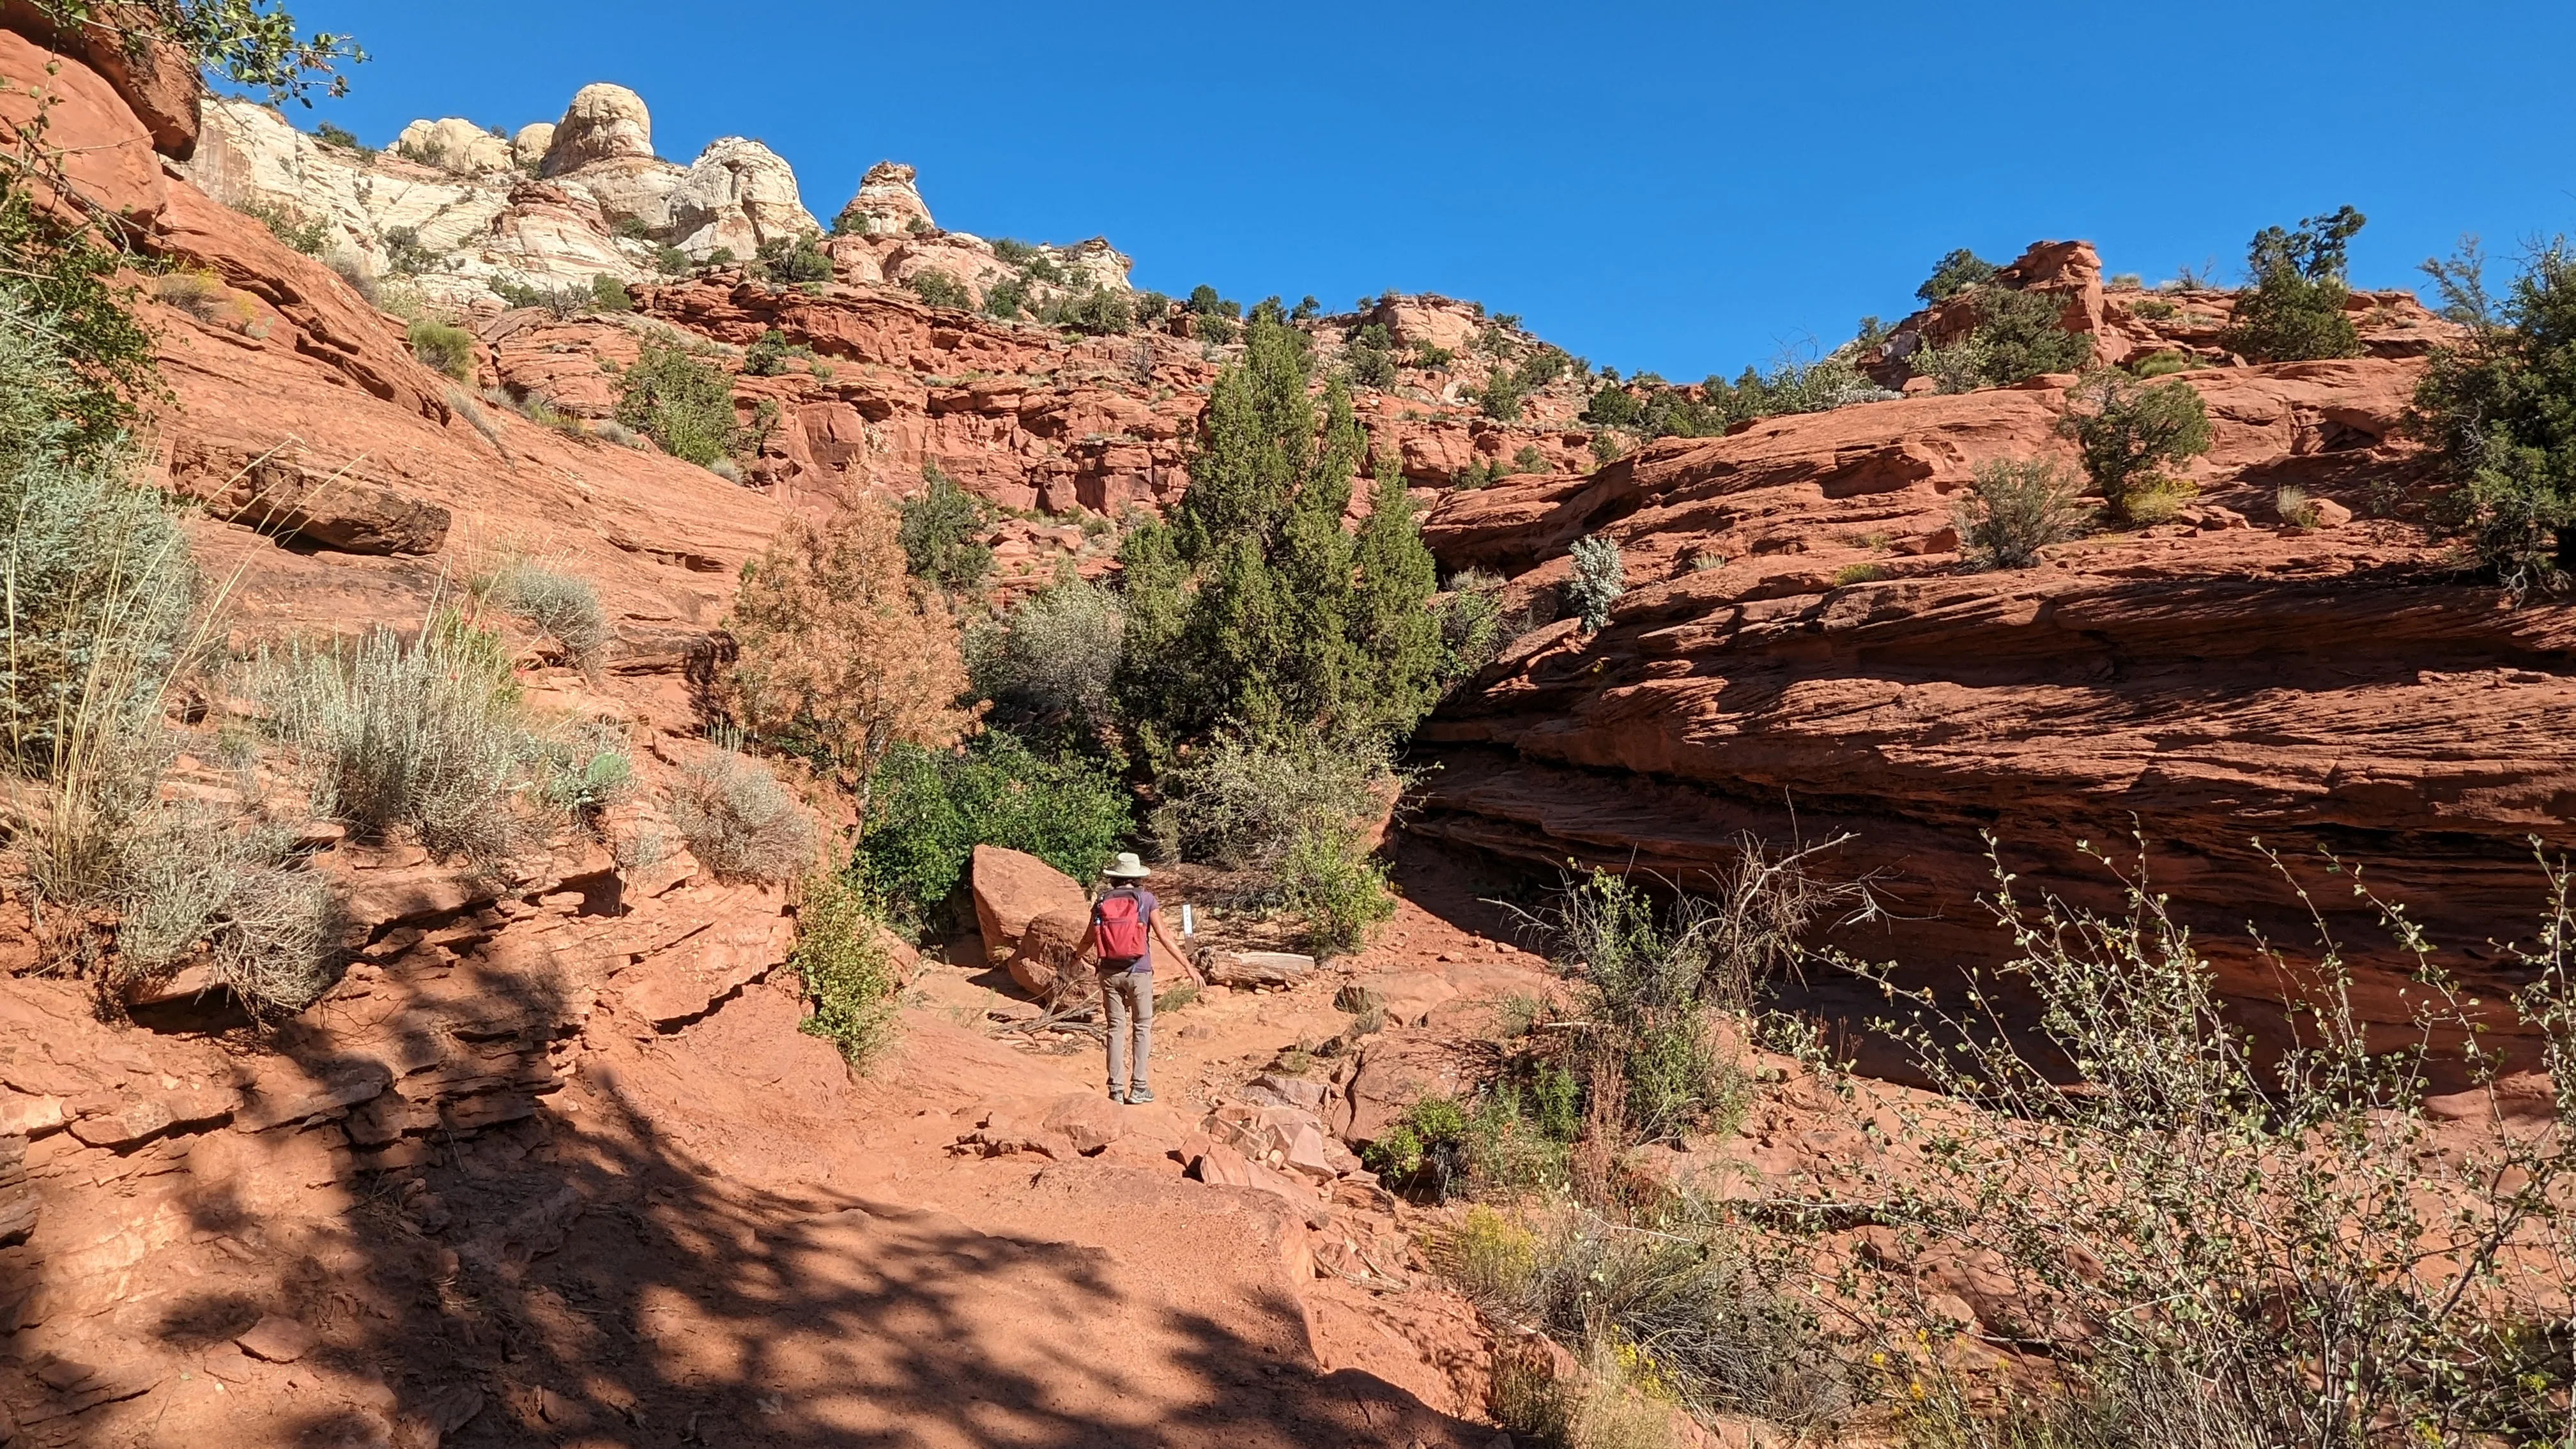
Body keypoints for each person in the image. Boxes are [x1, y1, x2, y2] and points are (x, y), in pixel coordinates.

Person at [1084, 852, 1159, 1104]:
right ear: (1137, 877)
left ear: (1115, 877)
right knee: (1142, 1027)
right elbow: (1164, 935)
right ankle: (1139, 1088)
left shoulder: (1102, 901)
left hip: (1109, 973)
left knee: (1115, 1029)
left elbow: (1088, 937)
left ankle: (1116, 1090)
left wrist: (1075, 956)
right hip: (1139, 972)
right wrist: (1188, 967)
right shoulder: (1146, 899)